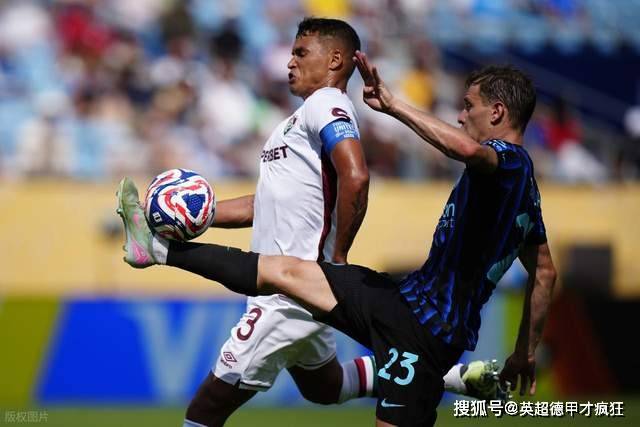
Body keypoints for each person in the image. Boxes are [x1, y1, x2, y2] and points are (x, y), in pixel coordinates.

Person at [118, 41, 526, 427]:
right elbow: (263, 205)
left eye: (301, 51)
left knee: (205, 408)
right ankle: (452, 377)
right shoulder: (295, 124)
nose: (290, 61)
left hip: (290, 293)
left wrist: (339, 257)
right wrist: (196, 215)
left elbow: (356, 175)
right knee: (325, 387)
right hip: (304, 289)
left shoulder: (326, 105)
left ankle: (156, 250)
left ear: (333, 60)